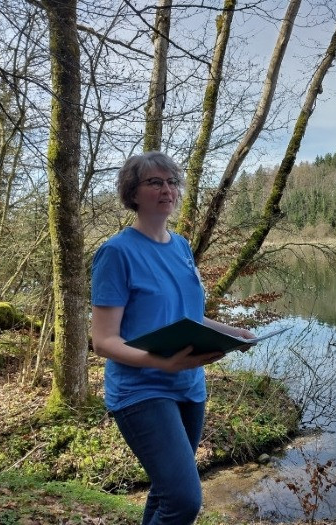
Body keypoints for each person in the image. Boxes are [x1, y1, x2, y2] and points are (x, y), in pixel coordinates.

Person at [90, 151, 254, 525]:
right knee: (183, 499)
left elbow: (188, 317)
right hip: (141, 389)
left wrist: (233, 333)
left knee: (165, 491)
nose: (167, 189)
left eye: (171, 182)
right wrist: (160, 362)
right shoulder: (116, 253)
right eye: (154, 182)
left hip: (189, 387)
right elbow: (103, 341)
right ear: (133, 193)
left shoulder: (180, 247)